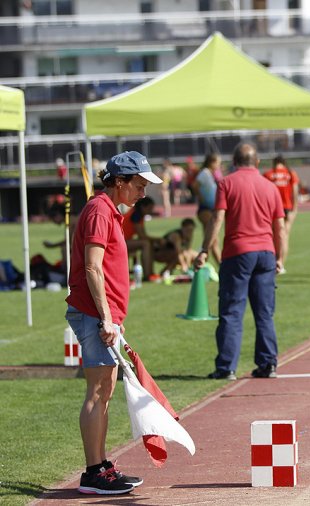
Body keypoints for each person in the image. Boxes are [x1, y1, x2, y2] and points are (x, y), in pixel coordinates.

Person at [65, 151, 162, 495]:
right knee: (98, 390)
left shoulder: (109, 211)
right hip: (94, 314)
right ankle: (94, 472)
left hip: (102, 314)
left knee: (103, 390)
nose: (143, 192)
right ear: (118, 182)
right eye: (138, 185)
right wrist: (106, 318)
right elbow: (92, 267)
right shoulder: (99, 211)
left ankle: (100, 465)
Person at [195, 143, 286, 380]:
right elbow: (280, 227)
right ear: (257, 162)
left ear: (234, 162)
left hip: (237, 252)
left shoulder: (226, 183)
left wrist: (205, 248)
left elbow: (217, 218)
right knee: (264, 313)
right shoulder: (270, 187)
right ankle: (268, 364)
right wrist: (280, 257)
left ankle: (227, 367)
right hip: (265, 252)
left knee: (232, 312)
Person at [262, 154, 300, 270]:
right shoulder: (290, 173)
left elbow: (264, 193)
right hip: (287, 208)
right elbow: (295, 192)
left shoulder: (268, 174)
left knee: (274, 237)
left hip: (272, 209)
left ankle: (275, 262)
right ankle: (281, 264)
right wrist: (295, 209)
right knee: (284, 236)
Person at [192, 153, 222, 265]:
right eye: (218, 163)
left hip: (210, 209)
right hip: (205, 209)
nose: (219, 165)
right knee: (213, 240)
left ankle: (201, 264)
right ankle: (221, 265)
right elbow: (195, 186)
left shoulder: (209, 174)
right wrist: (201, 198)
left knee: (208, 241)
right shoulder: (204, 173)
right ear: (212, 162)